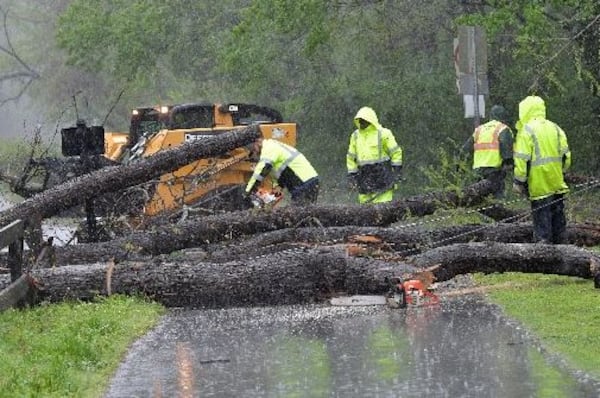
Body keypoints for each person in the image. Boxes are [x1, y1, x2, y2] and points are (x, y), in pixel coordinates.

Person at [512, 95, 571, 244]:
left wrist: (519, 182)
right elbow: (566, 157)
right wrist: (560, 173)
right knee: (559, 224)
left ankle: (544, 258)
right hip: (557, 184)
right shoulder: (556, 128)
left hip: (539, 186)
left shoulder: (526, 131)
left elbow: (521, 160)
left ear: (524, 110)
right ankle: (564, 257)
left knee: (542, 228)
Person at [346, 106, 403, 204]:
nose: (361, 123)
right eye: (359, 120)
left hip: (382, 176)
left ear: (370, 120)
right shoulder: (355, 136)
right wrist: (352, 175)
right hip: (364, 177)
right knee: (365, 209)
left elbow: (396, 152)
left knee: (383, 208)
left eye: (363, 120)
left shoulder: (384, 133)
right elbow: (351, 158)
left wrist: (397, 171)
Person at [244, 137, 319, 206]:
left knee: (296, 215)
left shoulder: (269, 148)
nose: (254, 154)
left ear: (257, 142)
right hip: (307, 182)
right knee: (305, 214)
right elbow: (285, 170)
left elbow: (262, 169)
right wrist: (279, 186)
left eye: (253, 149)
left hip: (304, 184)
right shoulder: (273, 145)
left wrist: (249, 190)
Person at [462, 104, 513, 198]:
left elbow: (465, 149)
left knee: (480, 198)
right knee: (496, 198)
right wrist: (509, 164)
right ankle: (499, 210)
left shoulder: (479, 129)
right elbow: (506, 151)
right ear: (503, 116)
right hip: (494, 171)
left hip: (478, 171)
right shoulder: (503, 129)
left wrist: (461, 166)